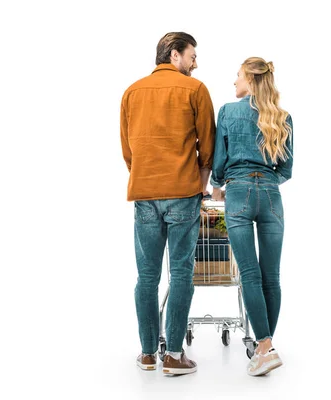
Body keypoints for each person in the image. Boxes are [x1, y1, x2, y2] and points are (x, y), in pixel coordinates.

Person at [120, 32, 215, 375]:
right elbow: (209, 144)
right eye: (192, 55)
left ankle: (147, 354)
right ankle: (174, 356)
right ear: (175, 55)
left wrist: (146, 176)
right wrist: (200, 182)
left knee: (146, 277)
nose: (195, 63)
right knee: (181, 275)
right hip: (183, 192)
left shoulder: (131, 91)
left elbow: (128, 150)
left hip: (144, 193)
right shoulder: (196, 90)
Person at [210, 57, 293, 376]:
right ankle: (266, 346)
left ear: (250, 79)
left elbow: (220, 161)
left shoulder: (229, 112)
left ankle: (264, 347)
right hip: (272, 197)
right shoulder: (283, 117)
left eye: (237, 76)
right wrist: (265, 180)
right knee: (271, 276)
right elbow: (286, 169)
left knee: (249, 273)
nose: (234, 82)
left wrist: (218, 186)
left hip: (239, 194)